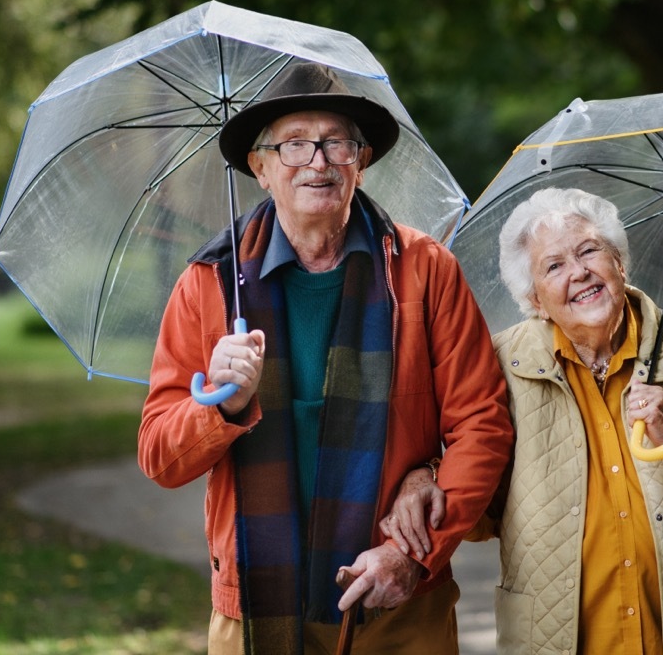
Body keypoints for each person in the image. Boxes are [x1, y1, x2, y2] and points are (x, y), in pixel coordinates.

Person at [138, 62, 514, 655]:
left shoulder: (424, 269)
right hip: (256, 613)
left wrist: (410, 553)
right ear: (259, 169)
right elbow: (159, 454)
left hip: (399, 604)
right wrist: (223, 408)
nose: (317, 161)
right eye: (293, 145)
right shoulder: (209, 284)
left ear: (360, 160)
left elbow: (482, 424)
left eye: (335, 141)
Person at [384, 187, 663, 654]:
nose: (579, 273)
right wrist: (427, 475)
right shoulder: (499, 366)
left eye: (589, 250)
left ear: (620, 262)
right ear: (534, 298)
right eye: (553, 266)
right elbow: (477, 515)